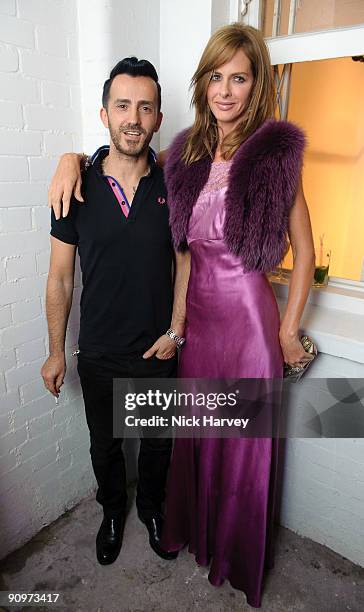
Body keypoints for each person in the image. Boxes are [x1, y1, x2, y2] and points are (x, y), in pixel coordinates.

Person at [47, 24, 315, 608]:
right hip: (196, 330)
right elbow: (124, 151)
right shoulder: (188, 154)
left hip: (246, 325)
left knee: (239, 446)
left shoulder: (273, 157)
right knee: (190, 441)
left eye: (238, 78)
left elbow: (305, 254)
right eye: (215, 77)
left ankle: (234, 553)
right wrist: (72, 157)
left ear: (256, 84)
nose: (225, 90)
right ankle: (170, 528)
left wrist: (289, 330)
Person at [41, 57, 187, 567]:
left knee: (155, 446)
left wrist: (176, 330)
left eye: (145, 107)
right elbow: (60, 278)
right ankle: (111, 512)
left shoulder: (174, 185)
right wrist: (55, 352)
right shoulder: (73, 188)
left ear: (158, 117)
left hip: (156, 350)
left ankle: (150, 510)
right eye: (122, 105)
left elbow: (186, 262)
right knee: (104, 446)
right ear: (104, 114)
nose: (134, 117)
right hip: (98, 352)